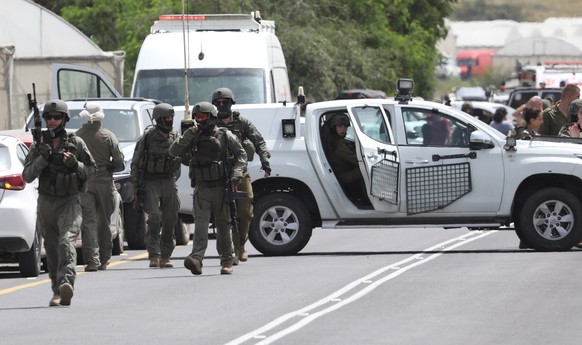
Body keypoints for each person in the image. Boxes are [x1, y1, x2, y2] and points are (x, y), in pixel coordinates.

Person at [22, 99, 97, 306]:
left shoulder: (75, 143)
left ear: (64, 119)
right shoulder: (39, 145)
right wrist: (41, 159)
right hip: (47, 202)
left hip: (70, 201)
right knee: (53, 248)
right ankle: (57, 290)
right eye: (49, 117)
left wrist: (76, 165)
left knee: (66, 241)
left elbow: (92, 170)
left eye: (57, 117)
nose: (53, 121)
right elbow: (27, 176)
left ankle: (67, 282)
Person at [170, 102, 246, 275]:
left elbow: (241, 155)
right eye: (197, 117)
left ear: (211, 118)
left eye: (203, 117)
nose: (199, 120)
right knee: (201, 224)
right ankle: (196, 258)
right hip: (202, 188)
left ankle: (227, 260)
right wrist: (187, 136)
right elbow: (173, 151)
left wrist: (236, 173)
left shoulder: (225, 135)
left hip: (221, 186)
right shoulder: (193, 136)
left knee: (223, 225)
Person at [213, 87, 271, 263]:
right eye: (218, 103)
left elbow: (259, 141)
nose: (222, 105)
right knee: (224, 214)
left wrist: (265, 161)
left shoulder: (242, 123)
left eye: (225, 102)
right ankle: (229, 250)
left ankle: (241, 246)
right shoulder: (211, 123)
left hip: (240, 173)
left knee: (245, 211)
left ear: (231, 103)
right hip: (219, 175)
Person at [130, 103, 181, 268]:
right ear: (159, 119)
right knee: (154, 217)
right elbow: (136, 163)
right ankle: (154, 254)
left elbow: (183, 156)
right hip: (150, 181)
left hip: (168, 180)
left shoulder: (175, 137)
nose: (170, 121)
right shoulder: (147, 138)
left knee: (170, 218)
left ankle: (165, 255)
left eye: (171, 118)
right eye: (166, 118)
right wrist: (136, 187)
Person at [76, 102, 125, 272]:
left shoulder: (77, 136)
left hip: (85, 184)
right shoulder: (108, 136)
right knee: (103, 221)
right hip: (104, 183)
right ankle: (104, 259)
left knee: (88, 222)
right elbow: (119, 163)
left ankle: (91, 260)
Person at [324, 113, 369, 205]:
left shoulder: (337, 140)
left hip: (343, 173)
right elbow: (357, 161)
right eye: (340, 126)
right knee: (366, 169)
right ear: (334, 127)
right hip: (342, 176)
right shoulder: (338, 144)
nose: (343, 129)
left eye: (345, 126)